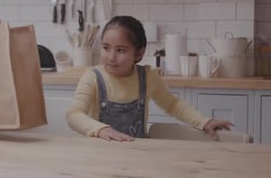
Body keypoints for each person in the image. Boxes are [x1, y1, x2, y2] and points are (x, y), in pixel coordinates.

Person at [66, 15, 233, 141]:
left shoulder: (147, 77)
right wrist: (101, 130)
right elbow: (74, 114)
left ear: (139, 53)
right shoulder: (93, 77)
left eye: (121, 50)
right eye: (106, 48)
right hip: (99, 157)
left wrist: (204, 121)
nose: (111, 57)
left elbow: (173, 105)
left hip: (138, 155)